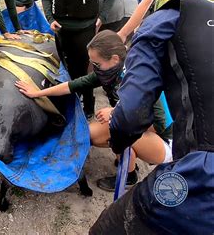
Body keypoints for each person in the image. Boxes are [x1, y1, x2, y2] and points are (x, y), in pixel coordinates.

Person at [90, 0, 213, 234]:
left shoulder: (163, 21)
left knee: (110, 227)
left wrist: (120, 141)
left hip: (201, 167)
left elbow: (133, 116)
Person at [15, 30, 173, 191]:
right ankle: (127, 156)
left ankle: (129, 176)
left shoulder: (138, 77)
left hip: (165, 141)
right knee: (90, 134)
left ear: (114, 59)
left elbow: (161, 124)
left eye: (96, 64)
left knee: (117, 129)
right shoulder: (111, 70)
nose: (93, 67)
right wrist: (38, 93)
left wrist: (115, 113)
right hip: (141, 129)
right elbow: (73, 85)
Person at [41, 0, 116, 118]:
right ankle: (71, 106)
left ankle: (88, 107)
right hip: (61, 30)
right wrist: (49, 18)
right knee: (66, 70)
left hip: (85, 29)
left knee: (84, 71)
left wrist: (102, 16)